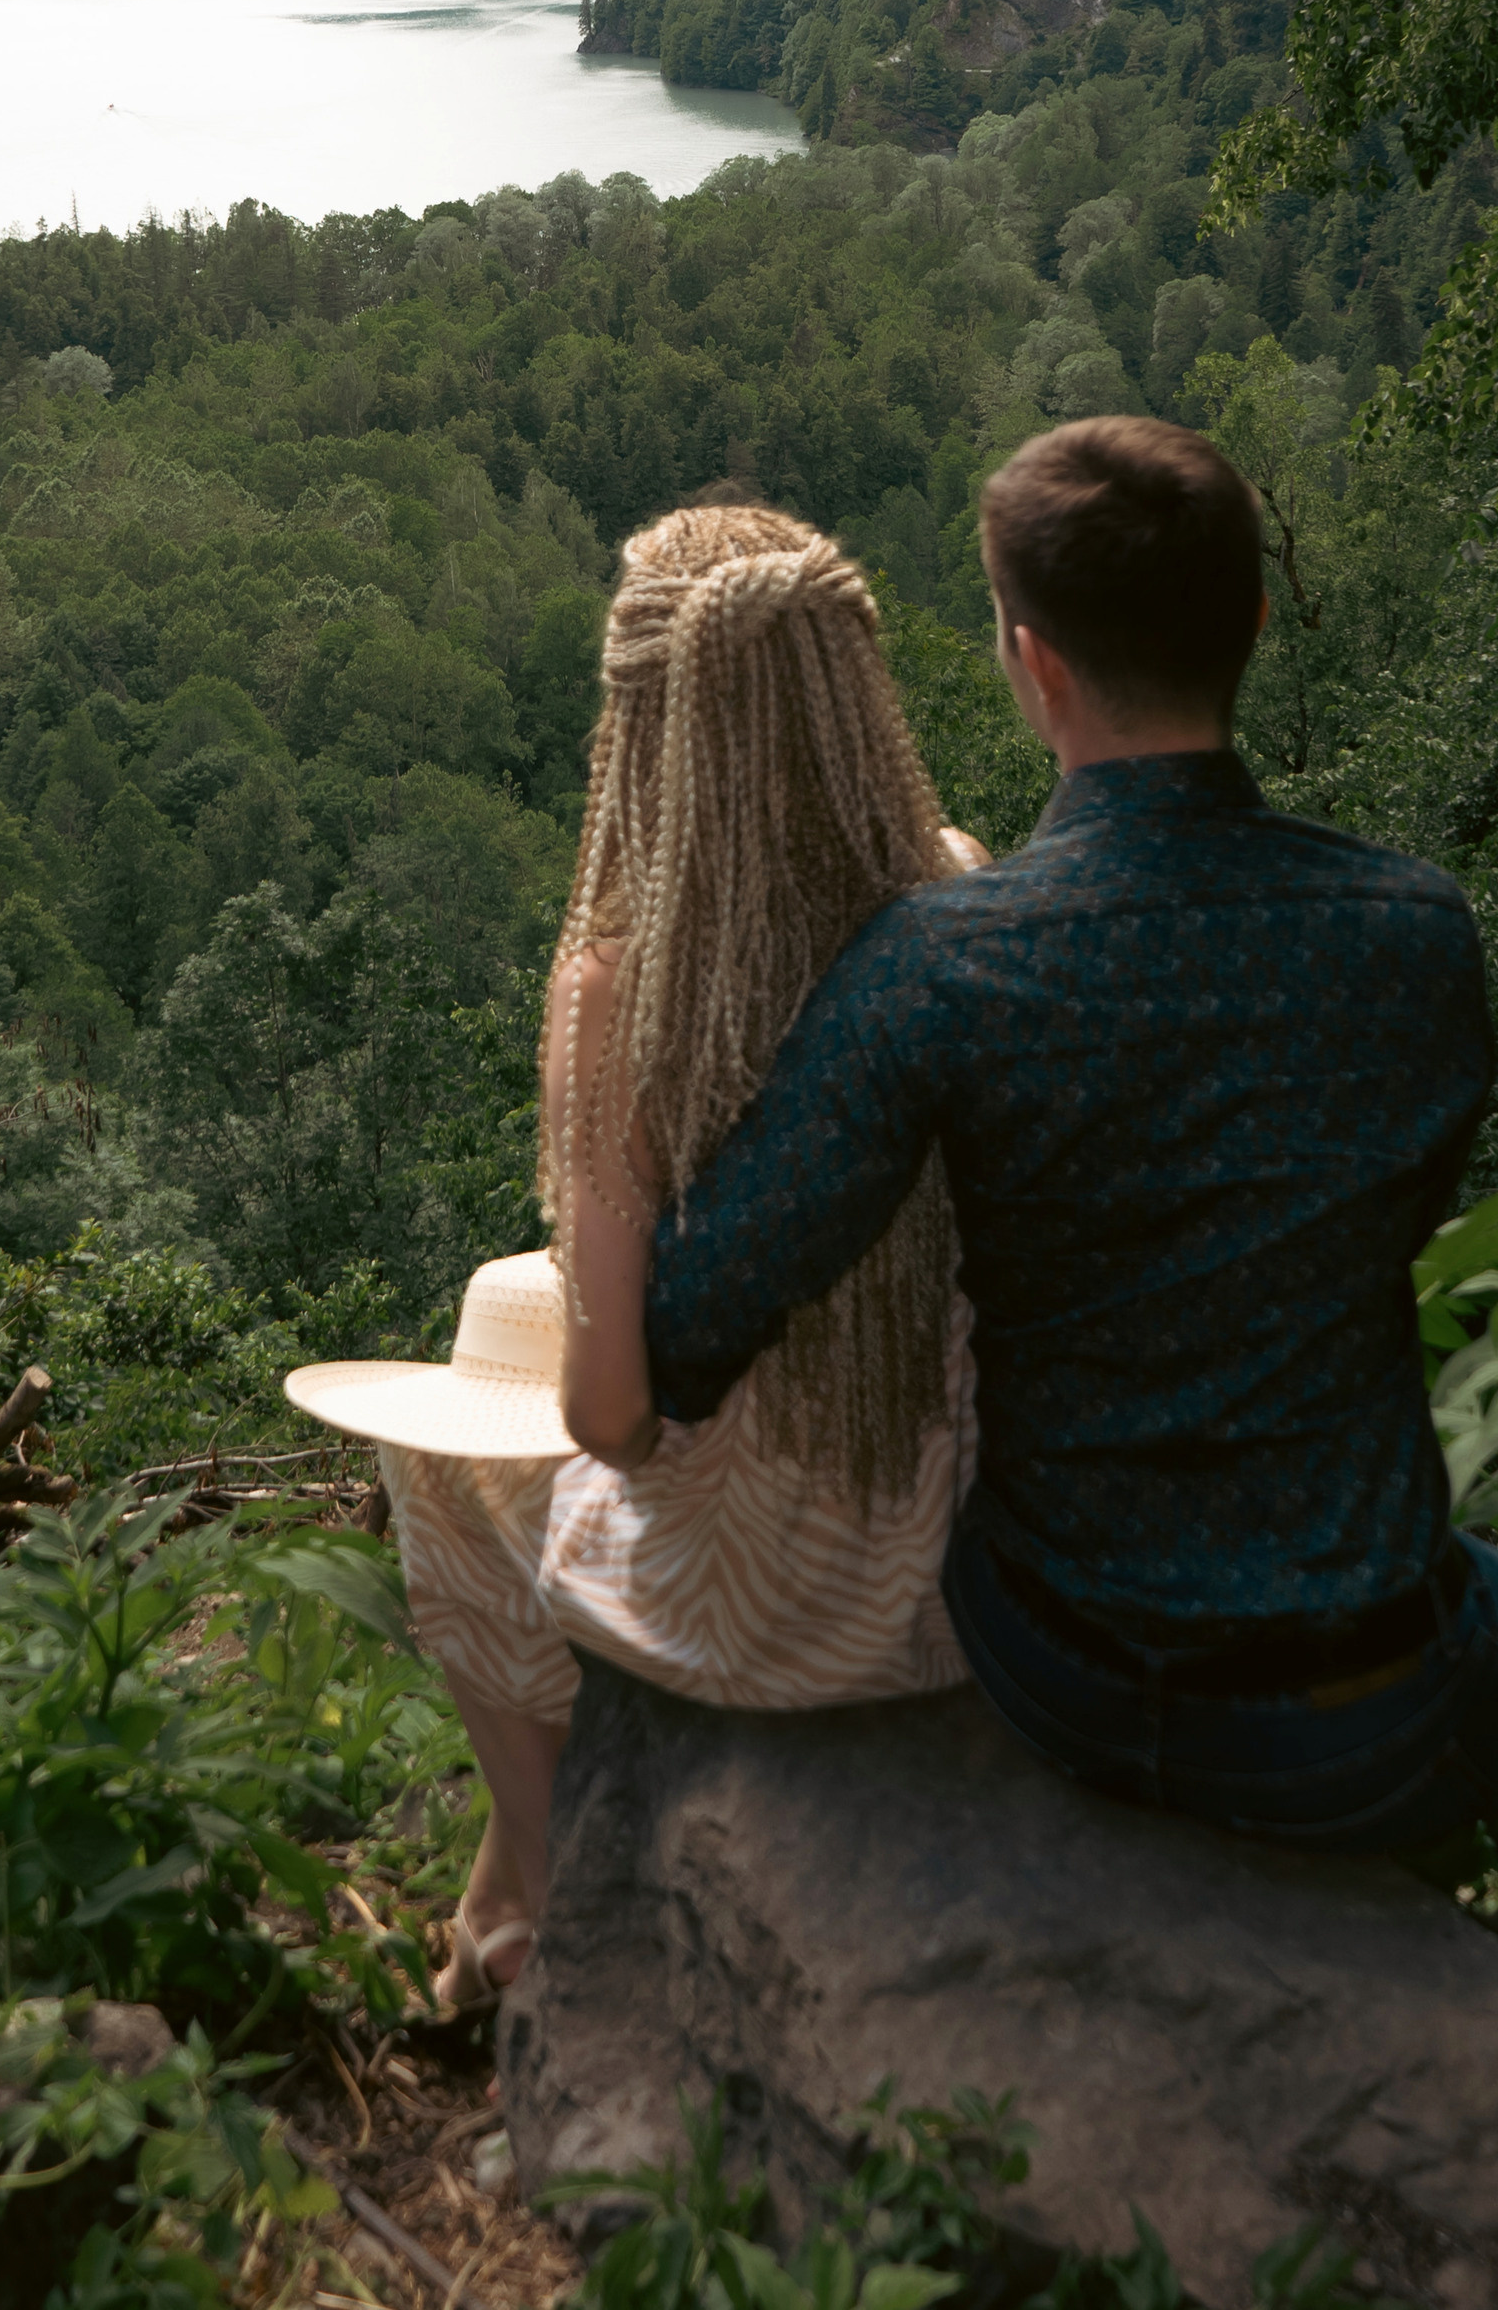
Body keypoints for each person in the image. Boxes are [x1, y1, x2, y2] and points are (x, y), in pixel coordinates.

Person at [647, 415, 1498, 1869]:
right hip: (1365, 1705)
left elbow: (691, 1320)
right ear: (1255, 623)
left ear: (1034, 659)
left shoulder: (939, 966)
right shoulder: (1411, 935)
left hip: (1058, 1672)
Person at [287, 502, 987, 2009]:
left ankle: (561, 1908)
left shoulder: (615, 986)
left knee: (445, 1446)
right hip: (940, 1551)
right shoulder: (945, 882)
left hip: (759, 1607)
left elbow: (608, 1414)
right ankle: (494, 1905)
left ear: (641, 720)